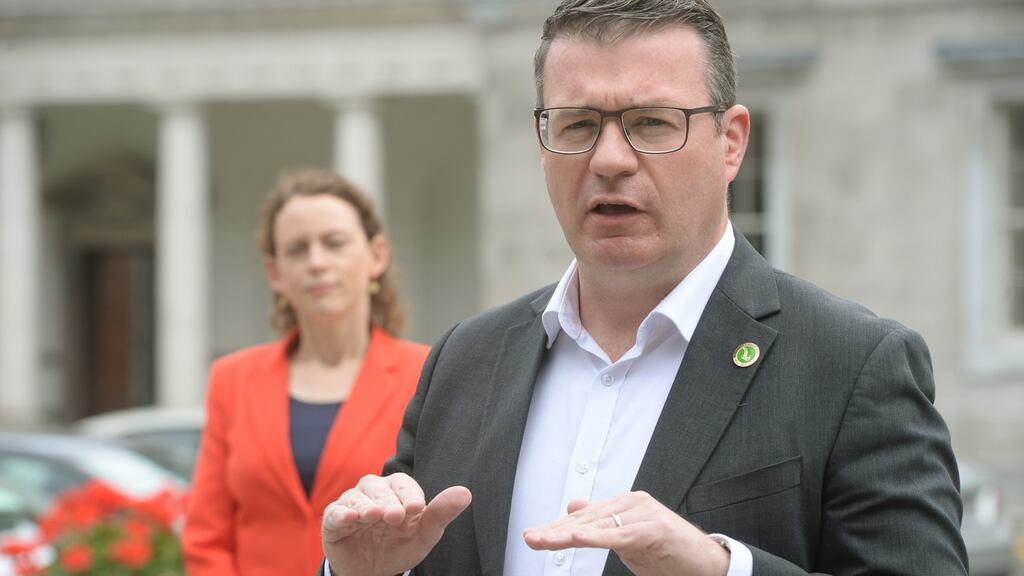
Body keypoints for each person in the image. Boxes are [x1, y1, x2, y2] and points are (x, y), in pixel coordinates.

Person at [320, 1, 969, 574]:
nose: (609, 160)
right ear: (543, 144)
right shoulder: (464, 361)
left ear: (732, 142)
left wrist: (723, 572)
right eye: (577, 126)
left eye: (652, 123)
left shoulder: (852, 366)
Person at [182, 169, 429, 576]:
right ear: (275, 273)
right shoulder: (233, 379)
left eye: (334, 243)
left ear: (376, 256)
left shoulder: (427, 374)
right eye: (297, 249)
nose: (317, 262)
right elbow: (207, 538)